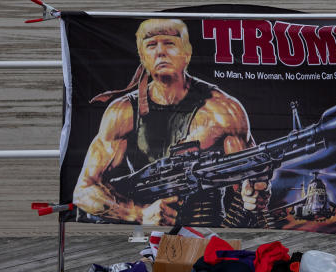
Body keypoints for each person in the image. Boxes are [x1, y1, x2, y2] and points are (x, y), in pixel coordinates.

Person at [73, 18, 269, 225]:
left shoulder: (222, 110)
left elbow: (253, 178)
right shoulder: (122, 112)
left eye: (169, 44)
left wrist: (254, 193)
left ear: (187, 53)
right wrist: (138, 214)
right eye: (151, 45)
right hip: (146, 230)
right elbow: (84, 191)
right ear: (143, 57)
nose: (160, 52)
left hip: (207, 228)